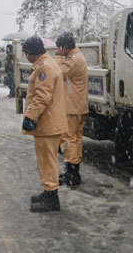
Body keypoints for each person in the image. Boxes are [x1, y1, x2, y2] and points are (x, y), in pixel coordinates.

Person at [21, 36, 68, 212]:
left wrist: (30, 117)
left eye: (26, 53)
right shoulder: (46, 64)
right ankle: (48, 192)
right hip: (48, 122)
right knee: (47, 160)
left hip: (47, 123)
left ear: (33, 53)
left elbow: (42, 96)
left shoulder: (45, 68)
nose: (26, 56)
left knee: (48, 161)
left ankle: (52, 198)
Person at [55, 32, 88, 186]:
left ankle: (72, 173)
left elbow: (59, 73)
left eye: (59, 47)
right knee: (76, 139)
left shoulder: (73, 60)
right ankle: (73, 171)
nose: (58, 50)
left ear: (64, 47)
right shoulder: (77, 57)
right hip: (78, 105)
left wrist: (57, 57)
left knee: (69, 139)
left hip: (72, 107)